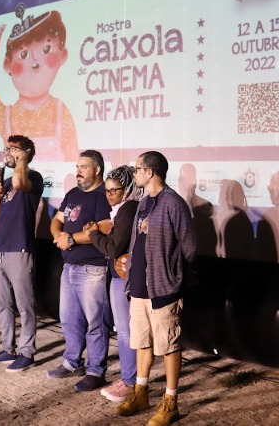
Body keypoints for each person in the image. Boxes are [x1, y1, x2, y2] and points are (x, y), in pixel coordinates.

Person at [114, 151, 197, 426]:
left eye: (138, 169)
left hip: (163, 288)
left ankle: (171, 402)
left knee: (169, 344)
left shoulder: (174, 203)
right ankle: (141, 393)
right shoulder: (143, 202)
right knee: (142, 341)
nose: (135, 173)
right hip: (139, 286)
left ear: (150, 172)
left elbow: (189, 247)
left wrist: (174, 277)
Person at [47, 150, 112, 392]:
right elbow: (57, 220)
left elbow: (105, 227)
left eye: (83, 166)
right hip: (69, 266)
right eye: (77, 166)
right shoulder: (73, 194)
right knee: (69, 318)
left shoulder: (104, 195)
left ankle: (96, 370)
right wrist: (59, 237)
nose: (78, 170)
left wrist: (71, 239)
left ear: (97, 169)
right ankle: (73, 362)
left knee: (96, 322)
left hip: (93, 267)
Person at [0, 3, 79, 161]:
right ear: (7, 64)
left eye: (46, 49)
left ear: (62, 55)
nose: (35, 60)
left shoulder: (61, 112)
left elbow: (72, 157)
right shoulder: (6, 115)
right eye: (24, 54)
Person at [0, 135, 44, 372]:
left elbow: (20, 184)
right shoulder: (6, 182)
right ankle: (8, 348)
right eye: (6, 148)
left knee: (25, 304)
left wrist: (22, 159)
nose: (7, 152)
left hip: (20, 248)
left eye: (13, 149)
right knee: (1, 303)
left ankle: (27, 352)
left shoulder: (32, 177)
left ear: (26, 152)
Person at [82, 165, 143, 403]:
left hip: (123, 277)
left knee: (126, 332)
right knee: (124, 330)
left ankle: (130, 381)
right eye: (106, 190)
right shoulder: (123, 209)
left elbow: (113, 248)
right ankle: (131, 378)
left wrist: (94, 235)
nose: (109, 195)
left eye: (114, 190)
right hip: (122, 275)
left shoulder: (129, 208)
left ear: (127, 188)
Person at [212, 178, 254, 260]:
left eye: (229, 194)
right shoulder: (215, 218)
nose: (226, 197)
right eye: (223, 193)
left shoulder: (243, 221)